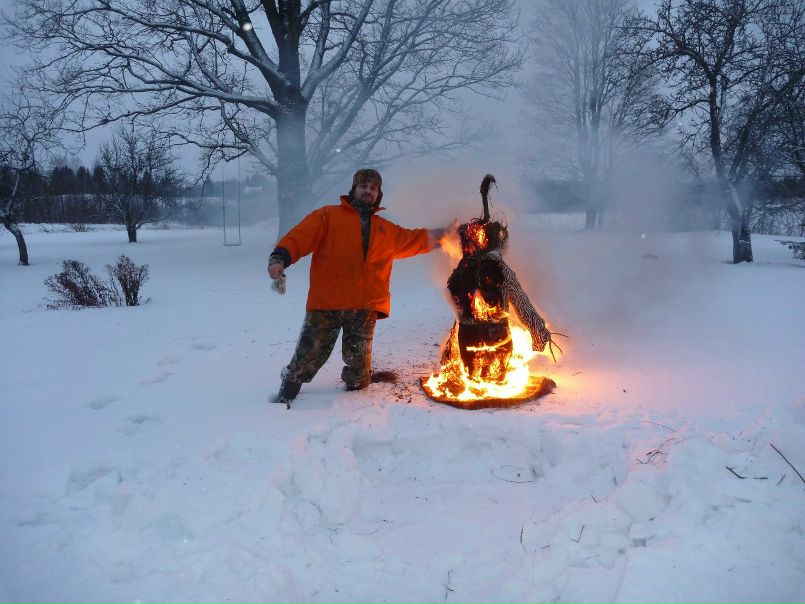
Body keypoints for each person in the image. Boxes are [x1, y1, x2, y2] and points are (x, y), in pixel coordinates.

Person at [267, 168, 454, 407]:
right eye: (363, 186)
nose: (368, 191)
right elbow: (299, 237)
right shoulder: (328, 216)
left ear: (378, 194)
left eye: (373, 188)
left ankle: (355, 405)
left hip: (364, 307)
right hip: (327, 303)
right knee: (308, 355)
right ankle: (285, 397)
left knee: (359, 366)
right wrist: (279, 259)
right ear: (354, 189)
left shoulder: (385, 229)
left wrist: (445, 235)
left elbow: (415, 239)